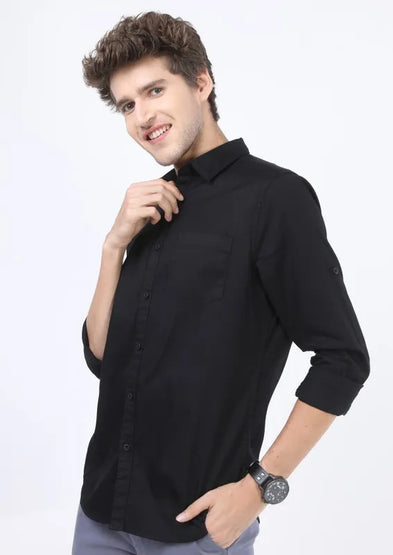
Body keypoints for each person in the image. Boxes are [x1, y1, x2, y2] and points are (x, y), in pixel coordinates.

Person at [71, 10, 370, 555]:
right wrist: (113, 247)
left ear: (201, 82)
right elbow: (103, 358)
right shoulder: (148, 207)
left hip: (197, 528)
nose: (143, 116)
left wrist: (260, 488)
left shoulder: (275, 198)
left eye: (155, 90)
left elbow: (343, 359)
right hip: (100, 514)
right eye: (127, 105)